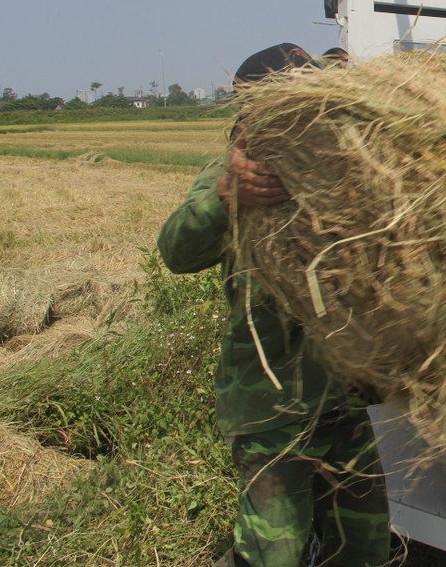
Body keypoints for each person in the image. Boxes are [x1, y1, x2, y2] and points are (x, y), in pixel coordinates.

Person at [158, 43, 390, 567]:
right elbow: (175, 251)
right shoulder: (234, 175)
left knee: (365, 547)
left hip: (342, 403)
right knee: (273, 557)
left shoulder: (336, 169)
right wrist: (225, 197)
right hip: (272, 409)